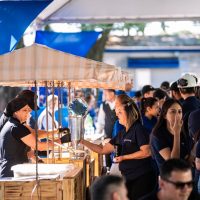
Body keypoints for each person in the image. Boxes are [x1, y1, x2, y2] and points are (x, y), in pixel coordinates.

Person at [81, 94, 157, 200]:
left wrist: (124, 157)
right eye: (117, 113)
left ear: (129, 113)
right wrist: (82, 141)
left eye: (120, 113)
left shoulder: (138, 129)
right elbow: (102, 149)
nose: (117, 115)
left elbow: (146, 152)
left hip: (142, 177)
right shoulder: (122, 133)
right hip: (128, 177)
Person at [150, 98, 190, 172]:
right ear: (165, 115)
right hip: (168, 178)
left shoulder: (184, 129)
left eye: (179, 112)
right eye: (173, 112)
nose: (177, 115)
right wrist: (176, 133)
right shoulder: (157, 134)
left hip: (184, 174)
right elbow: (173, 162)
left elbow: (189, 152)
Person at [96, 89, 118, 169]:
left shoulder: (119, 102)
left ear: (112, 93)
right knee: (107, 154)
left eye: (106, 93)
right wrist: (99, 132)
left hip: (119, 133)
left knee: (118, 154)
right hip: (107, 134)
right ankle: (109, 171)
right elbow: (101, 120)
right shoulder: (103, 105)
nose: (104, 96)